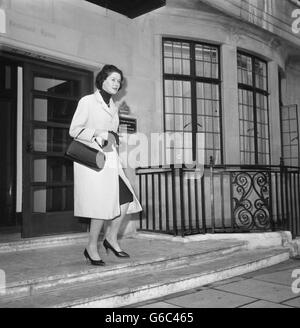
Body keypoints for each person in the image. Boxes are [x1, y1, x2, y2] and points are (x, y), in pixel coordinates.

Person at [69, 64, 142, 266]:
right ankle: (92, 247)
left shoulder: (113, 107)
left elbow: (112, 133)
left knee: (125, 200)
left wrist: (113, 140)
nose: (116, 83)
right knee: (100, 207)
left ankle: (110, 238)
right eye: (113, 79)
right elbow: (74, 130)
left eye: (119, 81)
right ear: (102, 80)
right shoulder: (88, 101)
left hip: (111, 161)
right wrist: (99, 134)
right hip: (93, 161)